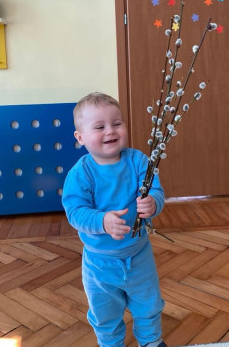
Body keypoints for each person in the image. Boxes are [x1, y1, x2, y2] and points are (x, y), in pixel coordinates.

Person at [62, 92, 167, 347]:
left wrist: (153, 203)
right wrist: (102, 221)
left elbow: (155, 190)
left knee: (149, 305)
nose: (110, 130)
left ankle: (151, 342)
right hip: (100, 262)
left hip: (139, 254)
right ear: (80, 137)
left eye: (117, 123)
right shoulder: (81, 173)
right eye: (99, 127)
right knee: (104, 314)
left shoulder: (138, 160)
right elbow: (75, 212)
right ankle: (110, 344)